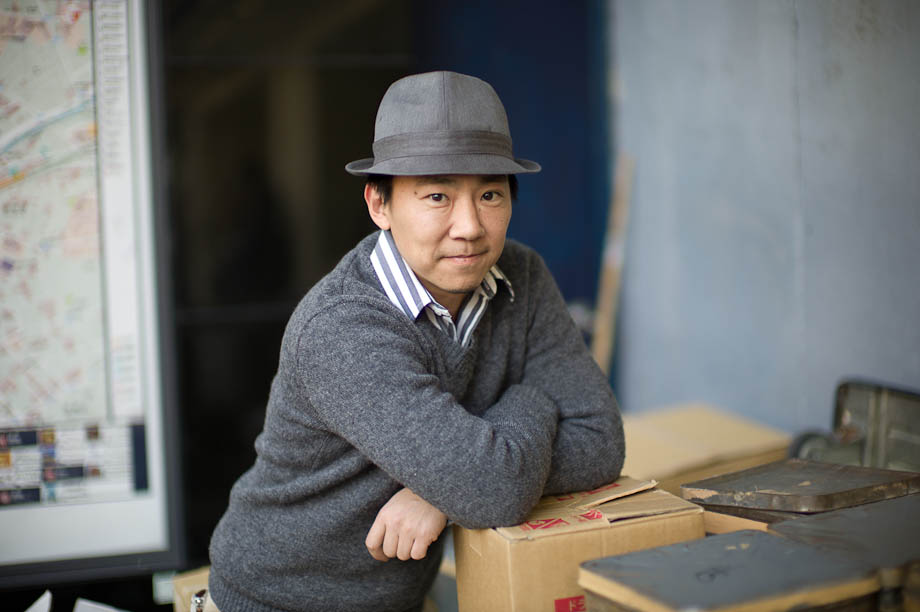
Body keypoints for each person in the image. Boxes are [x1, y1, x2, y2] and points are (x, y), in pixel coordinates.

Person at [206, 70, 625, 612]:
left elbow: (600, 441)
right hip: (277, 599)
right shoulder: (343, 328)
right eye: (437, 196)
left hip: (397, 598)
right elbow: (491, 490)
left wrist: (442, 495)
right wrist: (532, 403)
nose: (470, 226)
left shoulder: (522, 276)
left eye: (490, 194)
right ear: (379, 205)